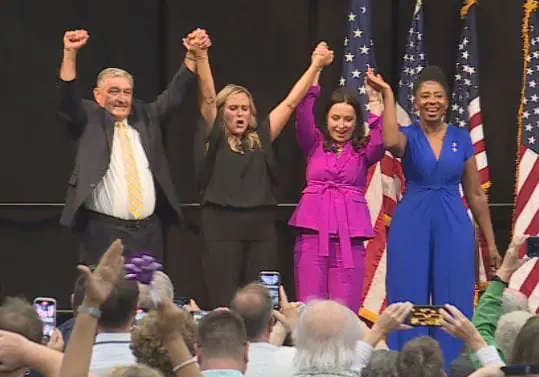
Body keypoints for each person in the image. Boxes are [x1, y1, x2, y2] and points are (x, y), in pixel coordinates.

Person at [183, 31, 335, 308]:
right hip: (220, 225)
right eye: (233, 108)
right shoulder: (212, 137)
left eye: (245, 108)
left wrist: (316, 66)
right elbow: (206, 99)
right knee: (223, 298)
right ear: (222, 111)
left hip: (261, 225)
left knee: (262, 299)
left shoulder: (261, 137)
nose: (240, 114)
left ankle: (262, 348)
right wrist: (201, 57)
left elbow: (290, 103)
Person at [366, 66, 501, 366]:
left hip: (453, 220)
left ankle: (452, 368)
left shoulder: (461, 138)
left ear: (448, 101)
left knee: (453, 300)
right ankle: (407, 367)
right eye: (425, 96)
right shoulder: (408, 136)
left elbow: (476, 194)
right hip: (413, 220)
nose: (432, 101)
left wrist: (490, 243)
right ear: (414, 102)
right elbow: (389, 143)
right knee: (407, 297)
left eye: (438, 96)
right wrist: (388, 94)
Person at [57, 29, 204, 264]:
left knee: (148, 297)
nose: (122, 98)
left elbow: (174, 95)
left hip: (148, 232)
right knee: (106, 296)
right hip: (103, 232)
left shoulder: (145, 117)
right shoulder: (88, 118)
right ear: (97, 95)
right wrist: (70, 52)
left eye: (127, 92)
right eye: (114, 91)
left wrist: (192, 56)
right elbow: (67, 97)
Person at [287, 65, 385, 313]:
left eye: (349, 119)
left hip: (348, 241)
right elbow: (304, 115)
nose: (341, 125)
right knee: (310, 309)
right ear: (327, 119)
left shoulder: (363, 152)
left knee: (345, 310)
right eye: (336, 118)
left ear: (356, 122)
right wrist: (316, 73)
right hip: (312, 236)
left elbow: (380, 139)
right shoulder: (314, 143)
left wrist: (375, 100)